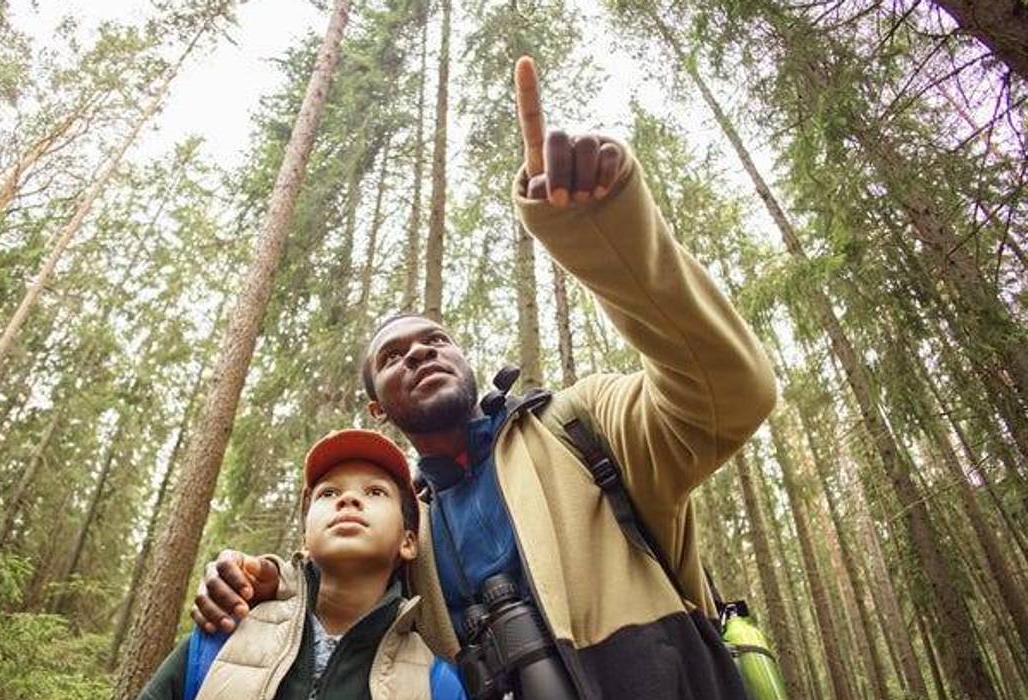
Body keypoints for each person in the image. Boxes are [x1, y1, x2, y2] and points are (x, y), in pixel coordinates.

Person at [191, 57, 776, 699]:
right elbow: (339, 594)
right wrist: (261, 578)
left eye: (435, 342)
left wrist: (605, 236)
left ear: (467, 362)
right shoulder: (405, 524)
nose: (418, 355)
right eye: (393, 357)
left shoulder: (583, 426)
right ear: (377, 408)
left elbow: (731, 392)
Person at [138, 429, 466, 700]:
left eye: (375, 492)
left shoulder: (436, 684)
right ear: (306, 541)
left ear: (408, 542)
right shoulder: (221, 639)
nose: (347, 499)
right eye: (328, 493)